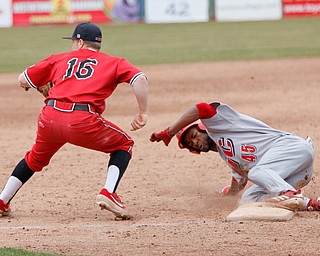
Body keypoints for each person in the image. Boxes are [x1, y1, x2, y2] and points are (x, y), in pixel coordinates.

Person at [0, 22, 149, 220]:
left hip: (49, 117)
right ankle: (108, 192)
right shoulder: (114, 62)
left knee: (35, 158)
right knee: (124, 144)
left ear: (79, 42)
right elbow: (139, 79)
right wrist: (143, 112)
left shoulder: (58, 59)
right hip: (81, 121)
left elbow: (22, 79)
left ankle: (3, 199)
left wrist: (41, 85)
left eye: (73, 41)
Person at [150, 101, 319, 211]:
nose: (194, 142)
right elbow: (239, 183)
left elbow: (201, 108)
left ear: (201, 127)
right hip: (298, 173)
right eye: (190, 143)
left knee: (256, 173)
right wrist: (228, 193)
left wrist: (169, 132)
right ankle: (310, 203)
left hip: (294, 148)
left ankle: (288, 192)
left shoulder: (220, 124)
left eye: (194, 136)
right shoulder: (230, 159)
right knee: (248, 200)